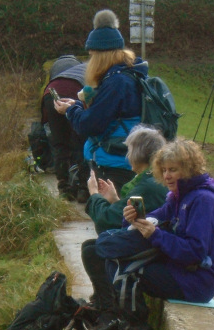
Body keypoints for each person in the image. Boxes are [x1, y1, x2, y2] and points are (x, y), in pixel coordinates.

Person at [98, 139, 214, 330]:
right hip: (179, 266)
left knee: (127, 272)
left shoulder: (204, 200)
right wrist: (130, 218)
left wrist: (156, 235)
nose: (167, 176)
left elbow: (196, 251)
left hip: (196, 279)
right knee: (113, 261)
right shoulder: (178, 196)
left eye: (174, 170)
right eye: (164, 170)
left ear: (188, 169)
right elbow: (156, 217)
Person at [80, 125, 168, 330]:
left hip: (153, 243)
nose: (127, 156)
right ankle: (105, 306)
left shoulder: (147, 184)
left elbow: (106, 221)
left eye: (129, 151)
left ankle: (108, 310)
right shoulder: (148, 181)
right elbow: (125, 217)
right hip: (151, 237)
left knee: (94, 250)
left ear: (138, 154)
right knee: (94, 247)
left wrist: (94, 195)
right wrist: (115, 200)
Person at [54, 9, 148, 195]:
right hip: (125, 161)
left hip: (114, 166)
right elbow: (102, 113)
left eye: (92, 55)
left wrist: (69, 111)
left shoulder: (116, 83)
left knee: (110, 218)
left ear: (101, 55)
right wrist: (77, 105)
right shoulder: (129, 74)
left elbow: (90, 124)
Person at [41, 55, 89, 201]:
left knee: (60, 145)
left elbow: (45, 121)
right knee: (82, 143)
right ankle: (83, 189)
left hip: (51, 94)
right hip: (75, 93)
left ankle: (64, 188)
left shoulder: (55, 77)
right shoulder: (88, 70)